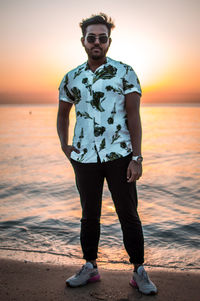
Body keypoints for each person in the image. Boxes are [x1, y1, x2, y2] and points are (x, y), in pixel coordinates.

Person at [57, 13, 157, 295]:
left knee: (128, 213)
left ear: (109, 41)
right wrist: (65, 145)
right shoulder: (71, 77)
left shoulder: (125, 72)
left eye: (102, 38)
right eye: (92, 38)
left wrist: (137, 157)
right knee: (89, 215)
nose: (97, 42)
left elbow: (134, 117)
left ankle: (138, 271)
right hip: (84, 157)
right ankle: (90, 267)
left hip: (120, 155)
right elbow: (63, 114)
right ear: (83, 41)